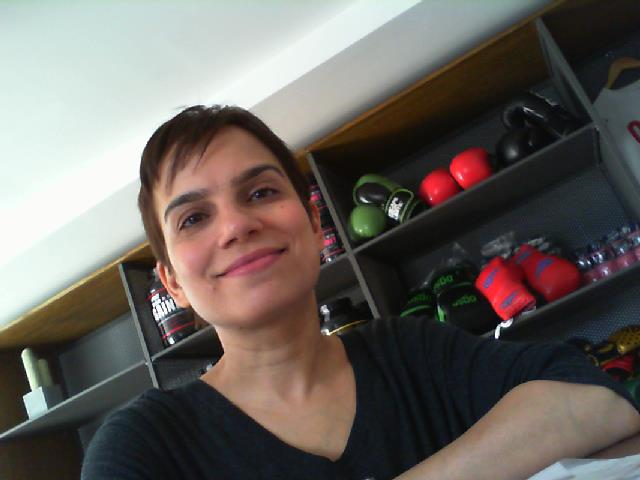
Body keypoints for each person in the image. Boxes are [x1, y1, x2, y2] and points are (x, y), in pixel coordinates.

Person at [82, 105, 640, 480]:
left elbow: (597, 399)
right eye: (194, 218)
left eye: (260, 192)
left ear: (312, 223)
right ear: (173, 283)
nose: (235, 226)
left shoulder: (409, 351)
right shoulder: (144, 444)